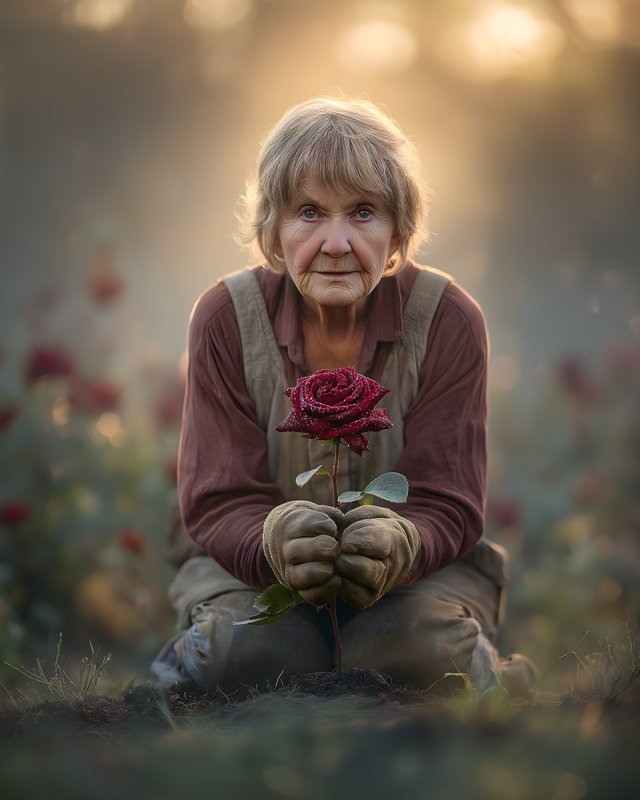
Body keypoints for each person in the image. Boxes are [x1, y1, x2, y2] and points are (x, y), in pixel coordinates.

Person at [152, 97, 535, 697]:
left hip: (424, 575)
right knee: (255, 647)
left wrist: (401, 542)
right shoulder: (225, 317)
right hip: (243, 568)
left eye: (363, 212)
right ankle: (171, 684)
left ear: (398, 232)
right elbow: (218, 498)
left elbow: (449, 498)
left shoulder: (447, 319)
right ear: (274, 232)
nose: (335, 242)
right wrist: (274, 543)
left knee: (408, 644)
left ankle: (503, 683)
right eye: (308, 212)